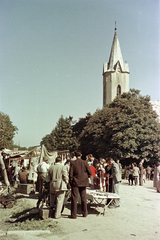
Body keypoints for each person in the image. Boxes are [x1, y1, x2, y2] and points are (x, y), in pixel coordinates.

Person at [69, 150, 92, 219]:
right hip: (84, 182)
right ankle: (84, 213)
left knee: (74, 198)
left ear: (74, 155)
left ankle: (73, 214)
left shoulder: (72, 163)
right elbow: (90, 172)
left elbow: (70, 174)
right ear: (81, 155)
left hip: (75, 182)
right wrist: (85, 177)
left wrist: (71, 181)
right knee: (83, 198)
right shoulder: (85, 162)